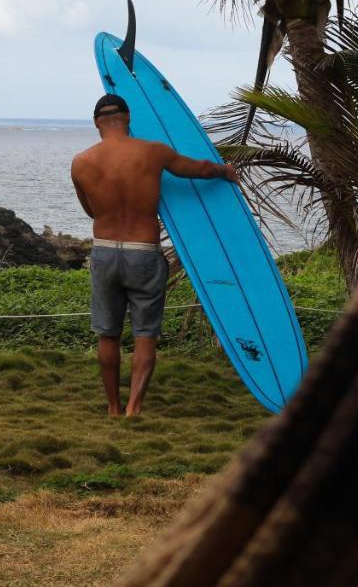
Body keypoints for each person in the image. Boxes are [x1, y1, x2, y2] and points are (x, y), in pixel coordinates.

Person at [71, 93, 238, 417]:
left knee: (108, 333)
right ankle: (134, 408)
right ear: (128, 117)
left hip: (104, 252)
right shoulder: (152, 152)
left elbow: (91, 210)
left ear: (96, 124)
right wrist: (224, 171)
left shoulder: (81, 162)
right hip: (144, 252)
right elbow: (199, 169)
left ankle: (113, 407)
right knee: (145, 333)